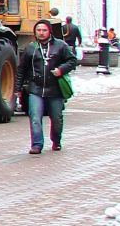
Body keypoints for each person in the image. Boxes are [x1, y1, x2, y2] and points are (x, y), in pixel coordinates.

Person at [16, 17, 76, 155]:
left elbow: (72, 60)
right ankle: (36, 145)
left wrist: (61, 69)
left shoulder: (60, 45)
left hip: (55, 89)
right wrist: (17, 88)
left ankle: (56, 140)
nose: (41, 33)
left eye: (44, 30)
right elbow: (21, 69)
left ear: (49, 31)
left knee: (56, 118)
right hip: (35, 89)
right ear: (35, 32)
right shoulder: (31, 48)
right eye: (38, 30)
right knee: (35, 117)